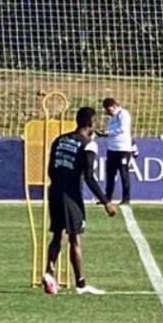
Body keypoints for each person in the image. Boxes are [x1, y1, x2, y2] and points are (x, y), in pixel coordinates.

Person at [43, 106, 118, 296]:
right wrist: (106, 202)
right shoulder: (88, 145)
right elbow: (89, 177)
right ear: (91, 123)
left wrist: (59, 183)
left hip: (54, 191)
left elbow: (50, 169)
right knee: (75, 237)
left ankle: (49, 273)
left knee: (57, 235)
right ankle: (81, 284)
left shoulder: (59, 140)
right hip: (71, 195)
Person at [101, 97, 134, 205]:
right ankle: (108, 197)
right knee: (110, 174)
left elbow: (123, 129)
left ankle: (126, 198)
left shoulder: (123, 114)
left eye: (108, 109)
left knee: (124, 173)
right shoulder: (111, 118)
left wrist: (108, 133)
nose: (107, 112)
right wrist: (104, 134)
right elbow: (111, 132)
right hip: (112, 149)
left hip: (123, 149)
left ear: (114, 106)